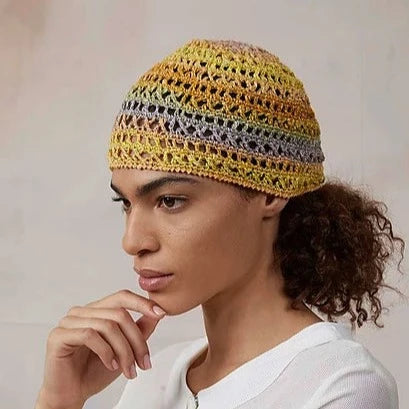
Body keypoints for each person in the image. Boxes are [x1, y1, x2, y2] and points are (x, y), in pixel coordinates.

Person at [35, 38, 406, 409]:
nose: (132, 241)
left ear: (269, 192)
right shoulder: (152, 376)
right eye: (126, 204)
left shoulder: (340, 384)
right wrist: (60, 401)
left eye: (170, 201)